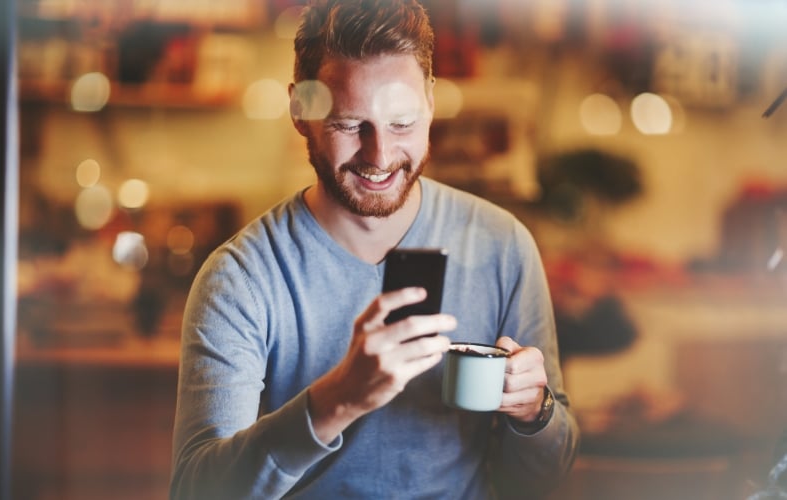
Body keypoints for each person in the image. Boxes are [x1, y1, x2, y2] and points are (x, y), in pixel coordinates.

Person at [170, 0, 579, 498]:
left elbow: (543, 480)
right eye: (349, 124)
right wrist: (336, 400)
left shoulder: (502, 244)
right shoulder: (240, 277)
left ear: (429, 101)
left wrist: (534, 412)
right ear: (300, 109)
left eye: (402, 123)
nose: (380, 156)